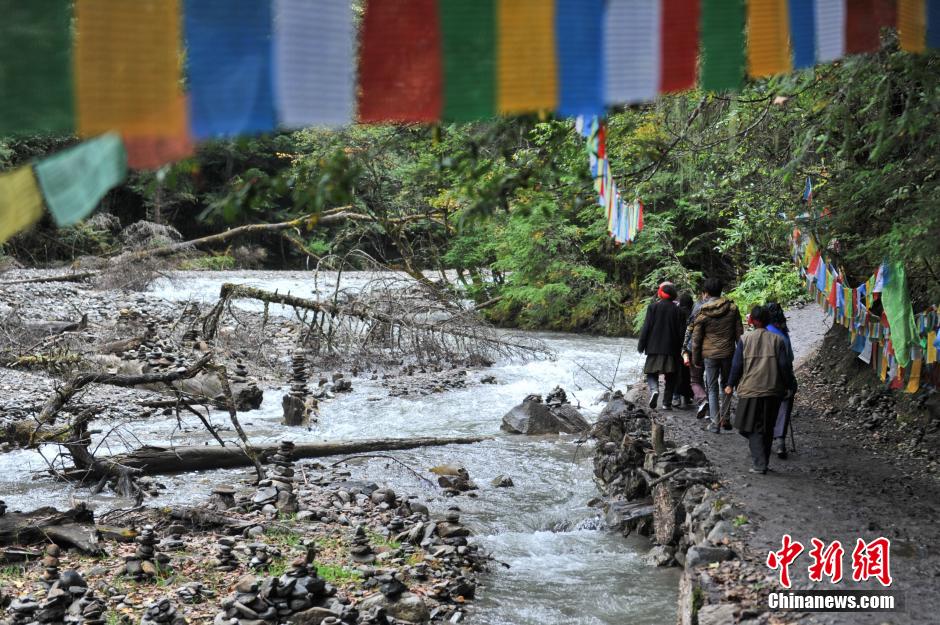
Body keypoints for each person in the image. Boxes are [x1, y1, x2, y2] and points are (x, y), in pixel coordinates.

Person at [725, 305, 797, 474]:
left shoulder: (745, 339)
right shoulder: (777, 340)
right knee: (766, 427)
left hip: (751, 390)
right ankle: (762, 460)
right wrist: (790, 385)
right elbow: (784, 366)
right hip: (773, 390)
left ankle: (760, 464)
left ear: (752, 320)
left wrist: (730, 383)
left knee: (748, 427)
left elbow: (737, 366)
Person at [691, 278, 743, 433]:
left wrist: (695, 358)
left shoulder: (703, 311)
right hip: (728, 353)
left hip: (710, 356)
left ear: (706, 293)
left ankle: (714, 423)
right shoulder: (732, 308)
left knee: (712, 388)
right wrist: (740, 356)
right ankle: (725, 419)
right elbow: (739, 334)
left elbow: (696, 339)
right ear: (721, 291)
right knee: (727, 385)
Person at [638, 282, 684, 410]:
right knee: (671, 376)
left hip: (653, 347)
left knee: (651, 372)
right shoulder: (678, 311)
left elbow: (646, 328)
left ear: (661, 294)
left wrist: (641, 345)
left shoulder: (653, 307)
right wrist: (681, 349)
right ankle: (666, 403)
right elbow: (681, 332)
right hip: (672, 348)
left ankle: (654, 390)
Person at [765, 302, 797, 458]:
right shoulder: (784, 334)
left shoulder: (762, 332)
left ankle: (765, 439)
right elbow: (789, 359)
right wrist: (791, 383)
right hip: (782, 377)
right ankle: (780, 442)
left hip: (763, 378)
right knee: (785, 403)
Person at [681, 291, 709, 418]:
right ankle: (711, 413)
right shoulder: (728, 307)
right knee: (712, 382)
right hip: (717, 350)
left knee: (695, 380)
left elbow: (690, 329)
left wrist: (685, 348)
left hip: (696, 349)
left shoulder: (698, 307)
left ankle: (703, 401)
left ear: (704, 293)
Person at [672, 292, 695, 409]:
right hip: (689, 347)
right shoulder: (693, 314)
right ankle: (686, 396)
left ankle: (676, 397)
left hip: (677, 346)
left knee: (676, 372)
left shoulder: (675, 312)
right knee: (686, 373)